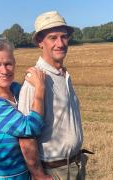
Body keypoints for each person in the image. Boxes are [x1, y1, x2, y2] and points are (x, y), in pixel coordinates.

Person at [18, 11, 86, 179]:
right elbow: (26, 136)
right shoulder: (34, 81)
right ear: (40, 42)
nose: (60, 43)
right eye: (53, 38)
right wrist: (38, 174)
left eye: (64, 37)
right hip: (54, 171)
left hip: (75, 164)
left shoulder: (63, 74)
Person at [0, 39, 47, 179]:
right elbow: (30, 128)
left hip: (25, 174)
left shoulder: (16, 90)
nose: (4, 70)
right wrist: (40, 88)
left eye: (8, 64)